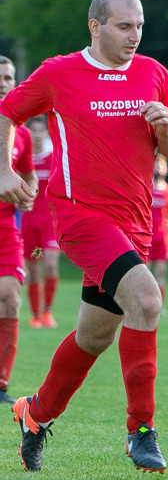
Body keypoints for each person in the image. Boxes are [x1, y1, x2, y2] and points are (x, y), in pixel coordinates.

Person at [0, 0, 168, 473]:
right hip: (81, 216)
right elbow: (6, 112)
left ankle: (35, 414)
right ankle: (140, 430)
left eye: (140, 27)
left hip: (136, 224)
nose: (135, 36)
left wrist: (166, 129)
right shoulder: (58, 72)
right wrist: (4, 171)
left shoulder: (153, 74)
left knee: (95, 336)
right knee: (146, 302)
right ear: (96, 26)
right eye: (125, 27)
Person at [0, 55, 37, 405]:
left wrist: (29, 193)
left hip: (6, 229)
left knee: (10, 299)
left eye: (8, 78)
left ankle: (1, 384)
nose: (2, 83)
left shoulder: (22, 133)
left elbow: (27, 174)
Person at [21, 115, 61, 328]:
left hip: (51, 225)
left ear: (46, 133)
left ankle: (47, 312)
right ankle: (35, 314)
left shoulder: (53, 157)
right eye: (33, 131)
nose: (36, 136)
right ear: (27, 134)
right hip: (30, 224)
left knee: (51, 264)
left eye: (40, 131)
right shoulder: (22, 161)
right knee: (34, 269)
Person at [149, 154, 168, 313]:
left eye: (162, 165)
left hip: (162, 238)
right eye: (156, 164)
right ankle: (143, 302)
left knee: (161, 272)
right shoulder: (147, 187)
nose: (159, 168)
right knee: (144, 272)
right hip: (147, 237)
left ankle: (159, 306)